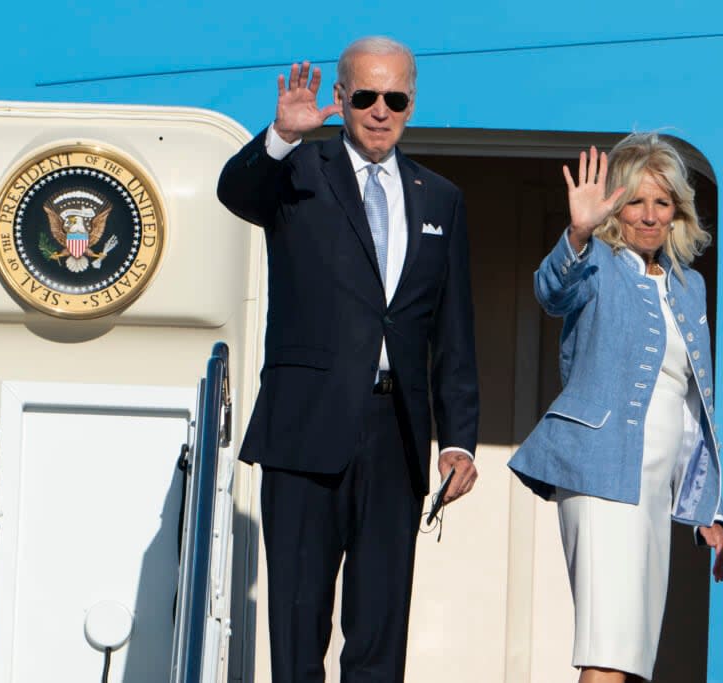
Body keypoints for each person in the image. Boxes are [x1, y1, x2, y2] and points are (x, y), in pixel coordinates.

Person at [216, 36, 479, 683]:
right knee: (299, 630)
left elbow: (453, 329)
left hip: (396, 434)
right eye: (365, 96)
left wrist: (461, 440)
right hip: (306, 429)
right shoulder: (300, 171)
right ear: (341, 98)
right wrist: (280, 135)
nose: (380, 110)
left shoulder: (439, 197)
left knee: (380, 632)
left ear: (411, 104)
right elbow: (236, 192)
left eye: (394, 97)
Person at [508, 134, 723, 682]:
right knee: (607, 657)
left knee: (630, 662)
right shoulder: (595, 265)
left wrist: (709, 507)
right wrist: (578, 233)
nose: (649, 216)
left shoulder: (688, 286)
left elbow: (686, 405)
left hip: (652, 492)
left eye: (662, 201)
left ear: (678, 208)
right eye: (635, 201)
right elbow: (549, 291)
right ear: (615, 207)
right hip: (600, 477)